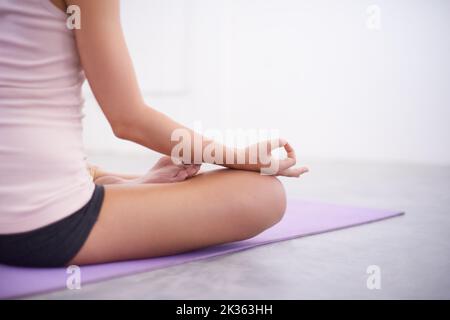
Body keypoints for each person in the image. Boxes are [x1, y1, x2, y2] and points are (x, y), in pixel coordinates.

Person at [0, 0, 308, 267]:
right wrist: (241, 158)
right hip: (41, 228)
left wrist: (130, 183)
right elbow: (128, 119)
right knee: (262, 193)